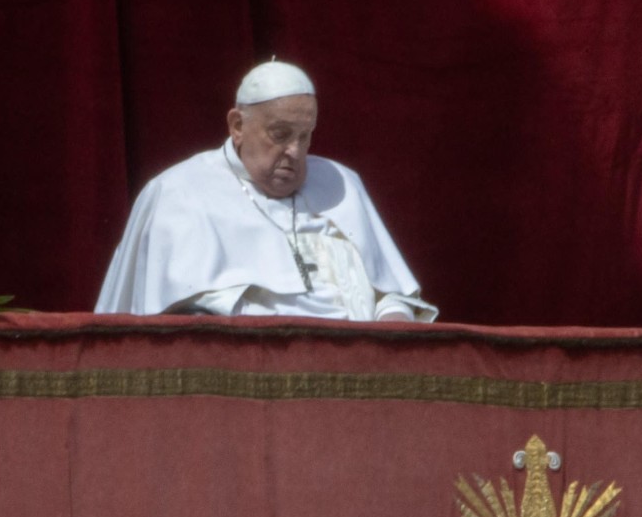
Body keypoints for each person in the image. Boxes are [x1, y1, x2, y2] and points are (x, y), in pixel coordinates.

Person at [96, 58, 436, 321]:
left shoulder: (341, 183)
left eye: (305, 136)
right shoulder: (180, 193)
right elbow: (181, 320)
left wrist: (393, 323)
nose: (295, 151)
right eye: (281, 134)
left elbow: (392, 294)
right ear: (238, 126)